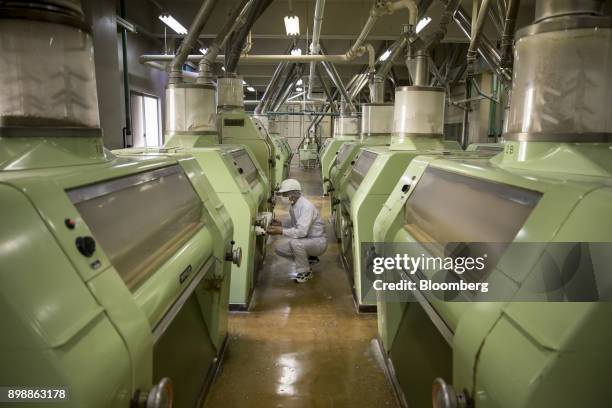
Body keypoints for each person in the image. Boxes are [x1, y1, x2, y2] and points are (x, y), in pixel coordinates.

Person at [267, 178, 328, 283]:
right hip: (308, 240)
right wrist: (280, 223)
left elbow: (301, 232)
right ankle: (308, 258)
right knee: (279, 249)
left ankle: (305, 272)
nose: (283, 197)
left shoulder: (306, 207)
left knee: (296, 243)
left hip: (318, 241)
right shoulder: (293, 206)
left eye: (285, 194)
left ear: (292, 194)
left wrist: (280, 231)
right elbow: (295, 223)